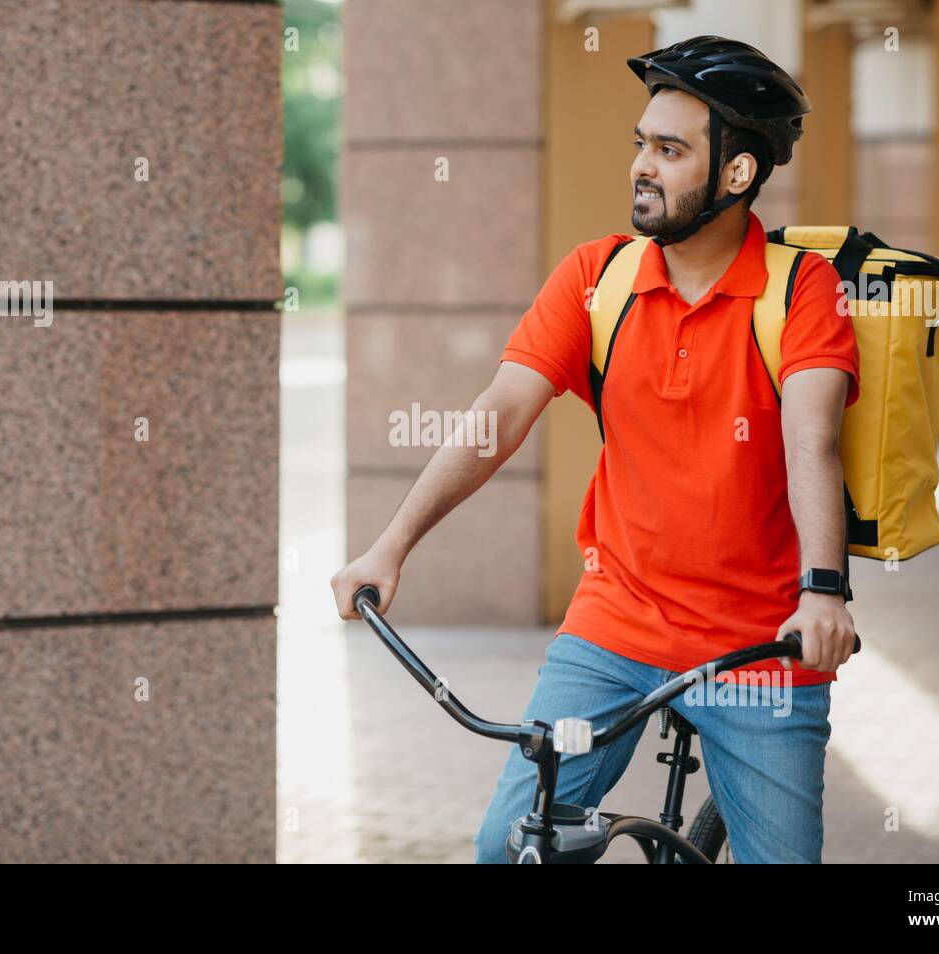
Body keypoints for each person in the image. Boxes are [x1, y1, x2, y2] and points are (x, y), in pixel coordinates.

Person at [331, 35, 860, 864]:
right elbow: (497, 416)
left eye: (670, 149)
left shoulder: (802, 290)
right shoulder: (596, 278)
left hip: (761, 641)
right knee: (508, 849)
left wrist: (822, 594)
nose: (641, 166)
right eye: (641, 144)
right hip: (617, 620)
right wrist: (389, 547)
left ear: (737, 174)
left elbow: (811, 442)